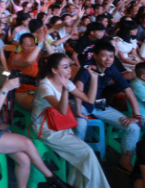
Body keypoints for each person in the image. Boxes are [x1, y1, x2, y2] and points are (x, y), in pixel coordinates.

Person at [0, 49, 72, 188]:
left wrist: (9, 88)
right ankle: (52, 179)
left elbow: (2, 102)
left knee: (24, 160)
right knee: (27, 143)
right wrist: (4, 90)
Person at [32, 53, 110, 188]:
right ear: (54, 70)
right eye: (65, 67)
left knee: (84, 155)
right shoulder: (45, 85)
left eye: (69, 66)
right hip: (45, 128)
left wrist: (94, 79)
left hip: (60, 125)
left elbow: (89, 100)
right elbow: (61, 110)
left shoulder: (66, 82)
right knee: (87, 153)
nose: (69, 70)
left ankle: (77, 185)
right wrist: (65, 89)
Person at [74, 41, 141, 172]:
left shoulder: (111, 69)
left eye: (111, 56)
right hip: (81, 104)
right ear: (95, 56)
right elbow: (78, 90)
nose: (109, 59)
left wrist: (136, 116)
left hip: (98, 104)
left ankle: (124, 160)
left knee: (133, 127)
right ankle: (77, 159)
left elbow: (128, 90)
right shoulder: (87, 68)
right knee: (81, 124)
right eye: (104, 56)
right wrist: (77, 111)